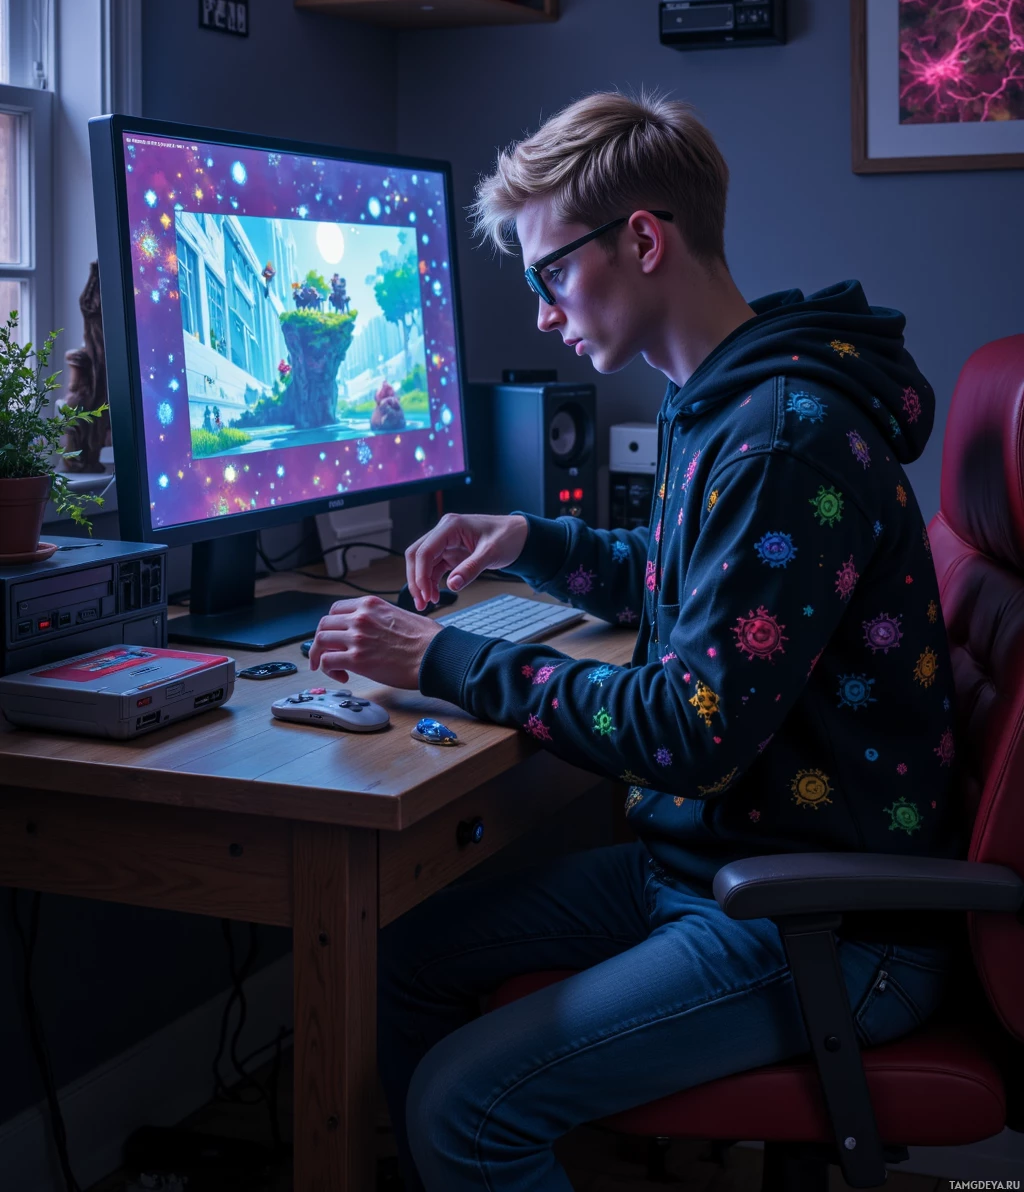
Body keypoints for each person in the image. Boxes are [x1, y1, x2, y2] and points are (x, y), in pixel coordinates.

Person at [307, 93, 958, 1192]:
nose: (544, 314)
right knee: (407, 959)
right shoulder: (722, 400)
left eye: (548, 274)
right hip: (717, 868)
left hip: (819, 922)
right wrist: (529, 540)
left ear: (642, 239)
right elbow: (691, 585)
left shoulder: (784, 443)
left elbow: (690, 729)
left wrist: (440, 658)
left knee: (464, 1107)